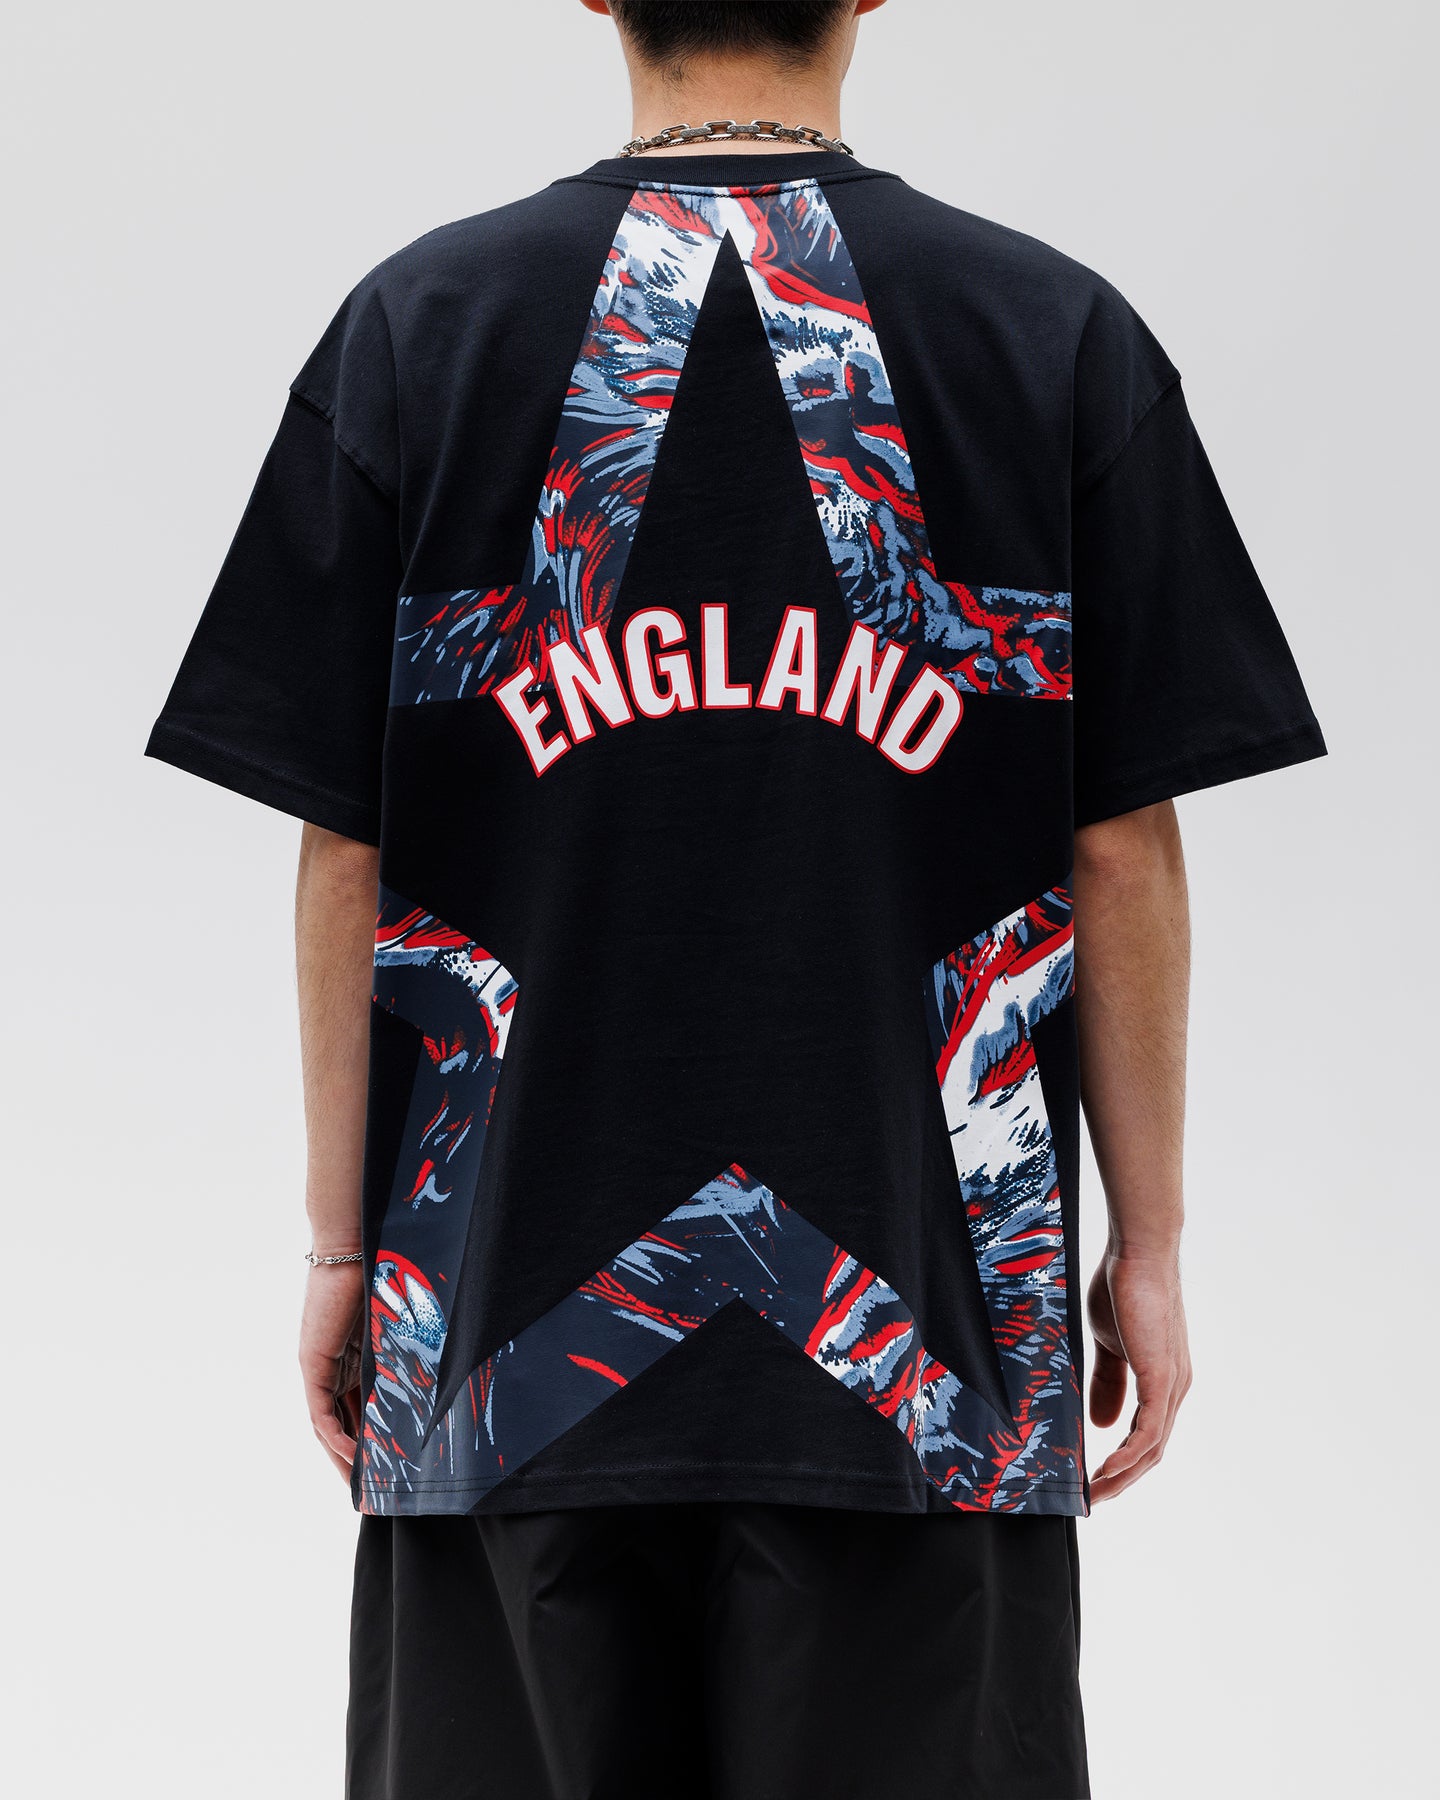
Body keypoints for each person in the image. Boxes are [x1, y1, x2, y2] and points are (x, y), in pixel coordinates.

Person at [146, 2, 1325, 1794]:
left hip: (502, 1367)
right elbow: (1117, 846)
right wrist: (1147, 1249)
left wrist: (341, 1246)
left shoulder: (419, 330)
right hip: (932, 1375)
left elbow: (348, 848)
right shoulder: (1052, 333)